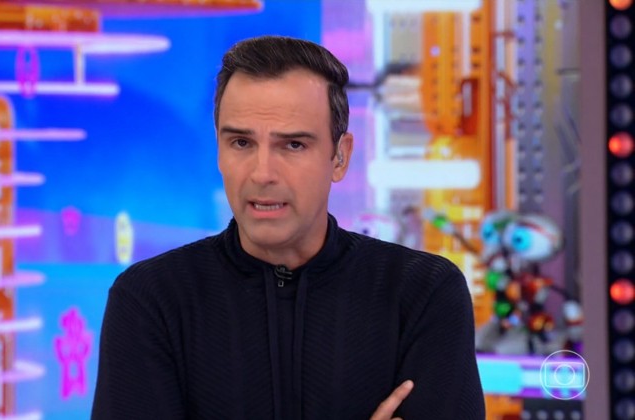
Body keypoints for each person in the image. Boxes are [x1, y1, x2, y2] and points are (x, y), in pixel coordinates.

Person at [92, 35, 485, 419]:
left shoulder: (422, 294)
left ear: (340, 157)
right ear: (219, 150)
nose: (262, 173)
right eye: (241, 143)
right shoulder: (151, 300)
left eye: (293, 145)